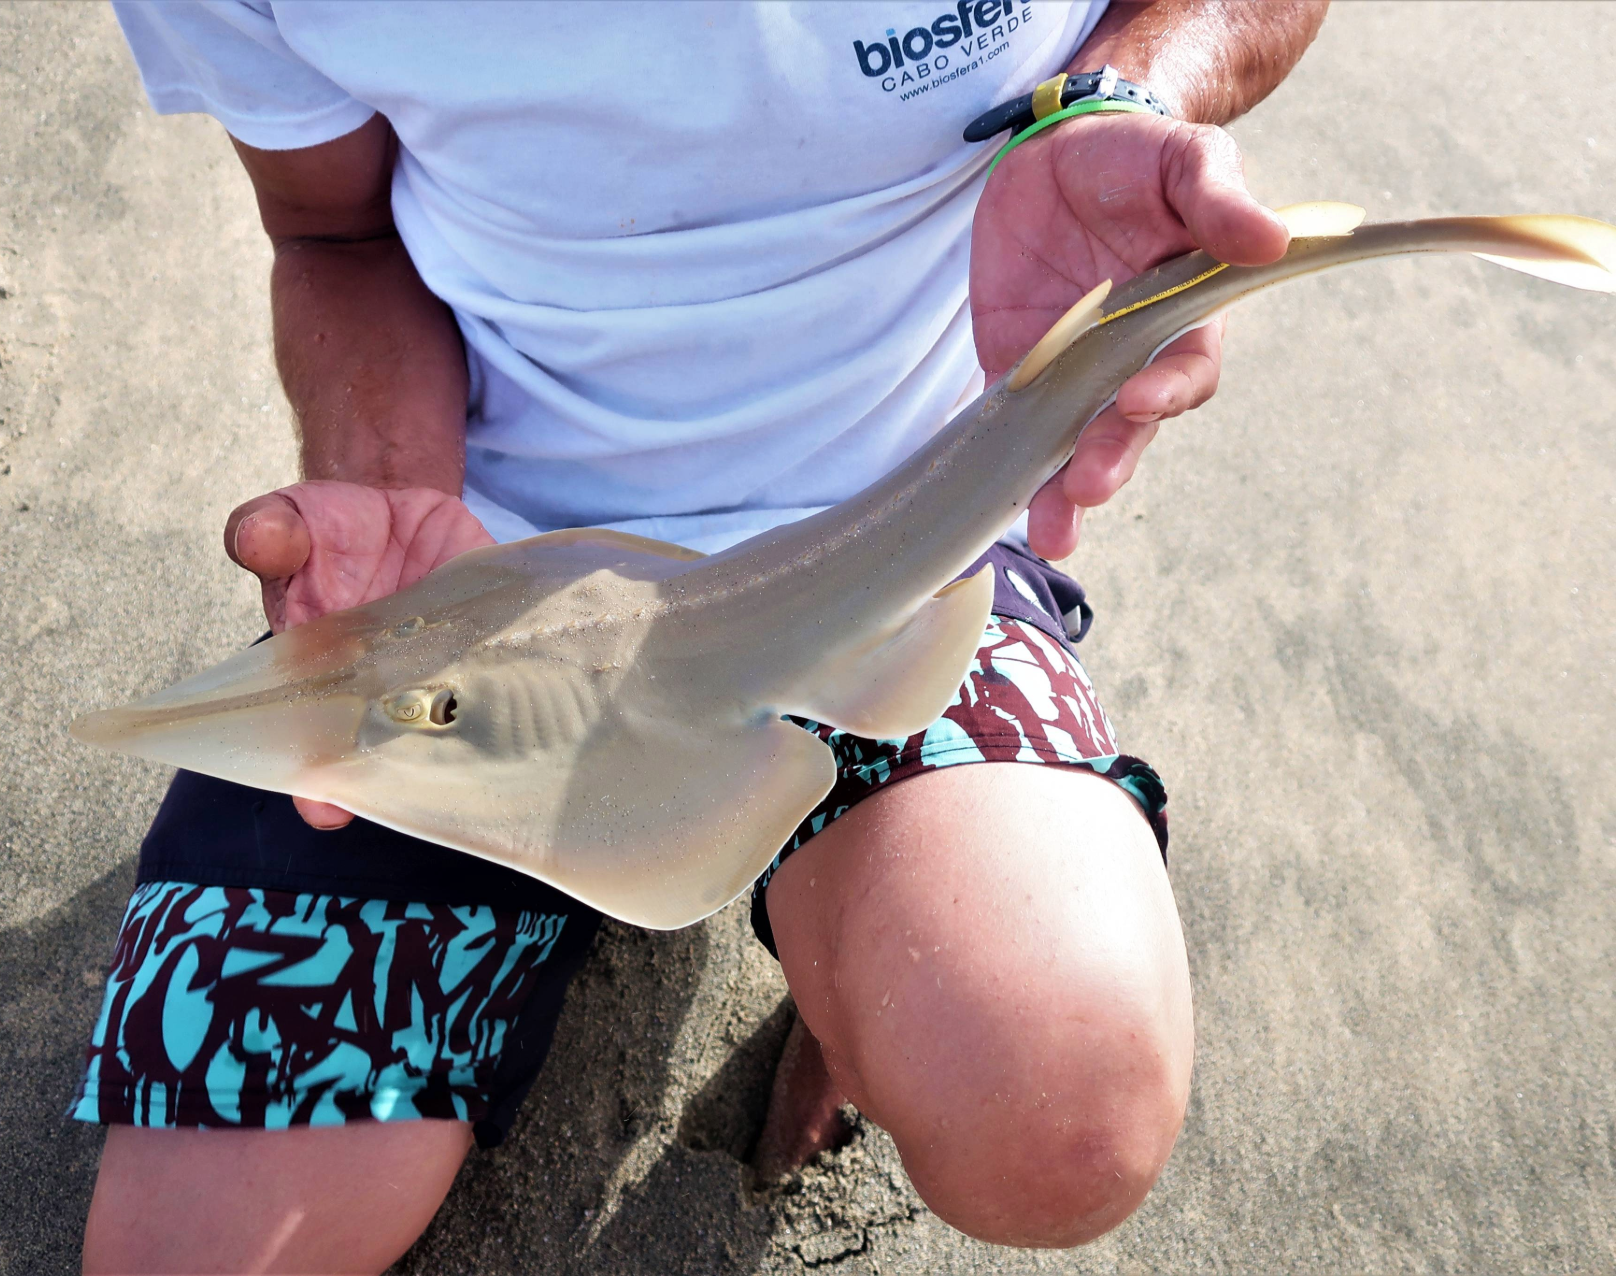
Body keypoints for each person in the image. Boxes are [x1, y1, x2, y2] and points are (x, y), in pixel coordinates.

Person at [74, 1, 1327, 1269]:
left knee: (1056, 1111)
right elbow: (331, 228)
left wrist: (1122, 93)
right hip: (484, 554)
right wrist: (397, 496)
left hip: (900, 528)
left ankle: (856, 953)